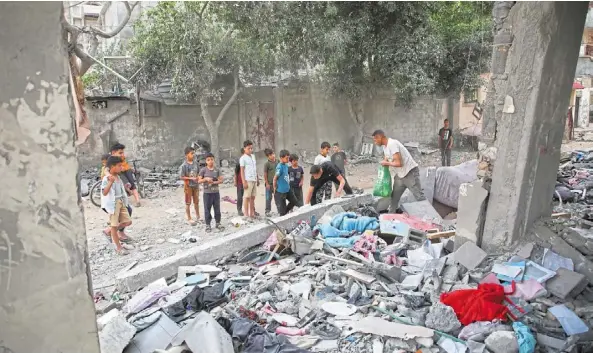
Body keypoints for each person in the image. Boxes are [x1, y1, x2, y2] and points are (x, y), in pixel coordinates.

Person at [372, 129, 425, 212]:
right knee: (394, 198)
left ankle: (430, 217)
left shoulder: (392, 144)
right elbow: (387, 160)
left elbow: (399, 163)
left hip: (410, 173)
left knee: (419, 196)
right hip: (400, 175)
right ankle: (390, 219)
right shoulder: (385, 147)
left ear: (380, 137)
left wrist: (386, 163)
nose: (375, 142)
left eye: (375, 140)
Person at [101, 156, 132, 255]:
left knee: (127, 221)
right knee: (114, 226)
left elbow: (120, 189)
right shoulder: (107, 178)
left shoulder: (118, 177)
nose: (121, 168)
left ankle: (109, 231)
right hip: (113, 204)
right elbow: (104, 192)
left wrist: (126, 189)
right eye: (119, 166)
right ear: (112, 167)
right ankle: (118, 247)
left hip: (121, 202)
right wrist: (110, 182)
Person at [199, 153, 224, 232]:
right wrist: (206, 179)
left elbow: (221, 180)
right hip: (207, 193)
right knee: (207, 209)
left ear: (214, 160)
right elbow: (199, 180)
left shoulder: (217, 170)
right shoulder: (203, 170)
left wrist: (213, 182)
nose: (210, 161)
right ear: (206, 161)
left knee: (217, 208)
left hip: (216, 192)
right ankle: (208, 225)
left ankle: (218, 223)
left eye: (212, 159)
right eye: (208, 160)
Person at [110, 143, 141, 207]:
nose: (122, 154)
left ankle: (138, 201)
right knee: (124, 184)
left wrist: (130, 169)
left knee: (132, 185)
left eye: (123, 153)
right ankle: (127, 195)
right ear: (113, 153)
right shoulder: (111, 159)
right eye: (120, 153)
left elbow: (125, 164)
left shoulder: (121, 157)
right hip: (120, 172)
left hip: (127, 170)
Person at [273, 150, 301, 216]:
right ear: (281, 158)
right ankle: (283, 215)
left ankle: (285, 212)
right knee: (282, 212)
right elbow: (275, 178)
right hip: (281, 191)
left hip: (288, 189)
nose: (288, 159)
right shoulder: (279, 167)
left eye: (288, 157)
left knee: (294, 201)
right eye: (286, 158)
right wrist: (274, 187)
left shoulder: (285, 165)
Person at [179, 146, 200, 225]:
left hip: (196, 186)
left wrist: (198, 177)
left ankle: (198, 216)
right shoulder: (184, 165)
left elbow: (199, 173)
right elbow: (181, 176)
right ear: (186, 155)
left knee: (196, 202)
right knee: (188, 202)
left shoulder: (196, 164)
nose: (193, 155)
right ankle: (189, 218)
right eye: (191, 153)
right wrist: (190, 178)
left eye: (194, 153)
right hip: (188, 186)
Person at [240, 140, 259, 218]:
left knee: (253, 197)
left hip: (254, 179)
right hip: (248, 179)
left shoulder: (253, 156)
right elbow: (242, 171)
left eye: (251, 148)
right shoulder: (243, 158)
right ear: (244, 148)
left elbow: (255, 169)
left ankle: (252, 213)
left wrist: (257, 178)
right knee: (247, 197)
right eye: (249, 148)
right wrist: (244, 182)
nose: (250, 150)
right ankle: (246, 214)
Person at [263, 148, 278, 217]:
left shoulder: (278, 161)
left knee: (278, 197)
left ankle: (279, 209)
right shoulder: (267, 164)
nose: (273, 156)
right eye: (271, 155)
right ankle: (267, 211)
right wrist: (267, 183)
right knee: (268, 198)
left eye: (273, 154)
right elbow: (265, 174)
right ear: (267, 156)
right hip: (269, 184)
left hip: (277, 184)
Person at [234, 148, 245, 216]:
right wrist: (235, 181)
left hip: (248, 182)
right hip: (240, 182)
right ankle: (239, 210)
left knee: (250, 196)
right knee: (240, 196)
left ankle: (252, 210)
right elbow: (236, 172)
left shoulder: (250, 160)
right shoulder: (239, 161)